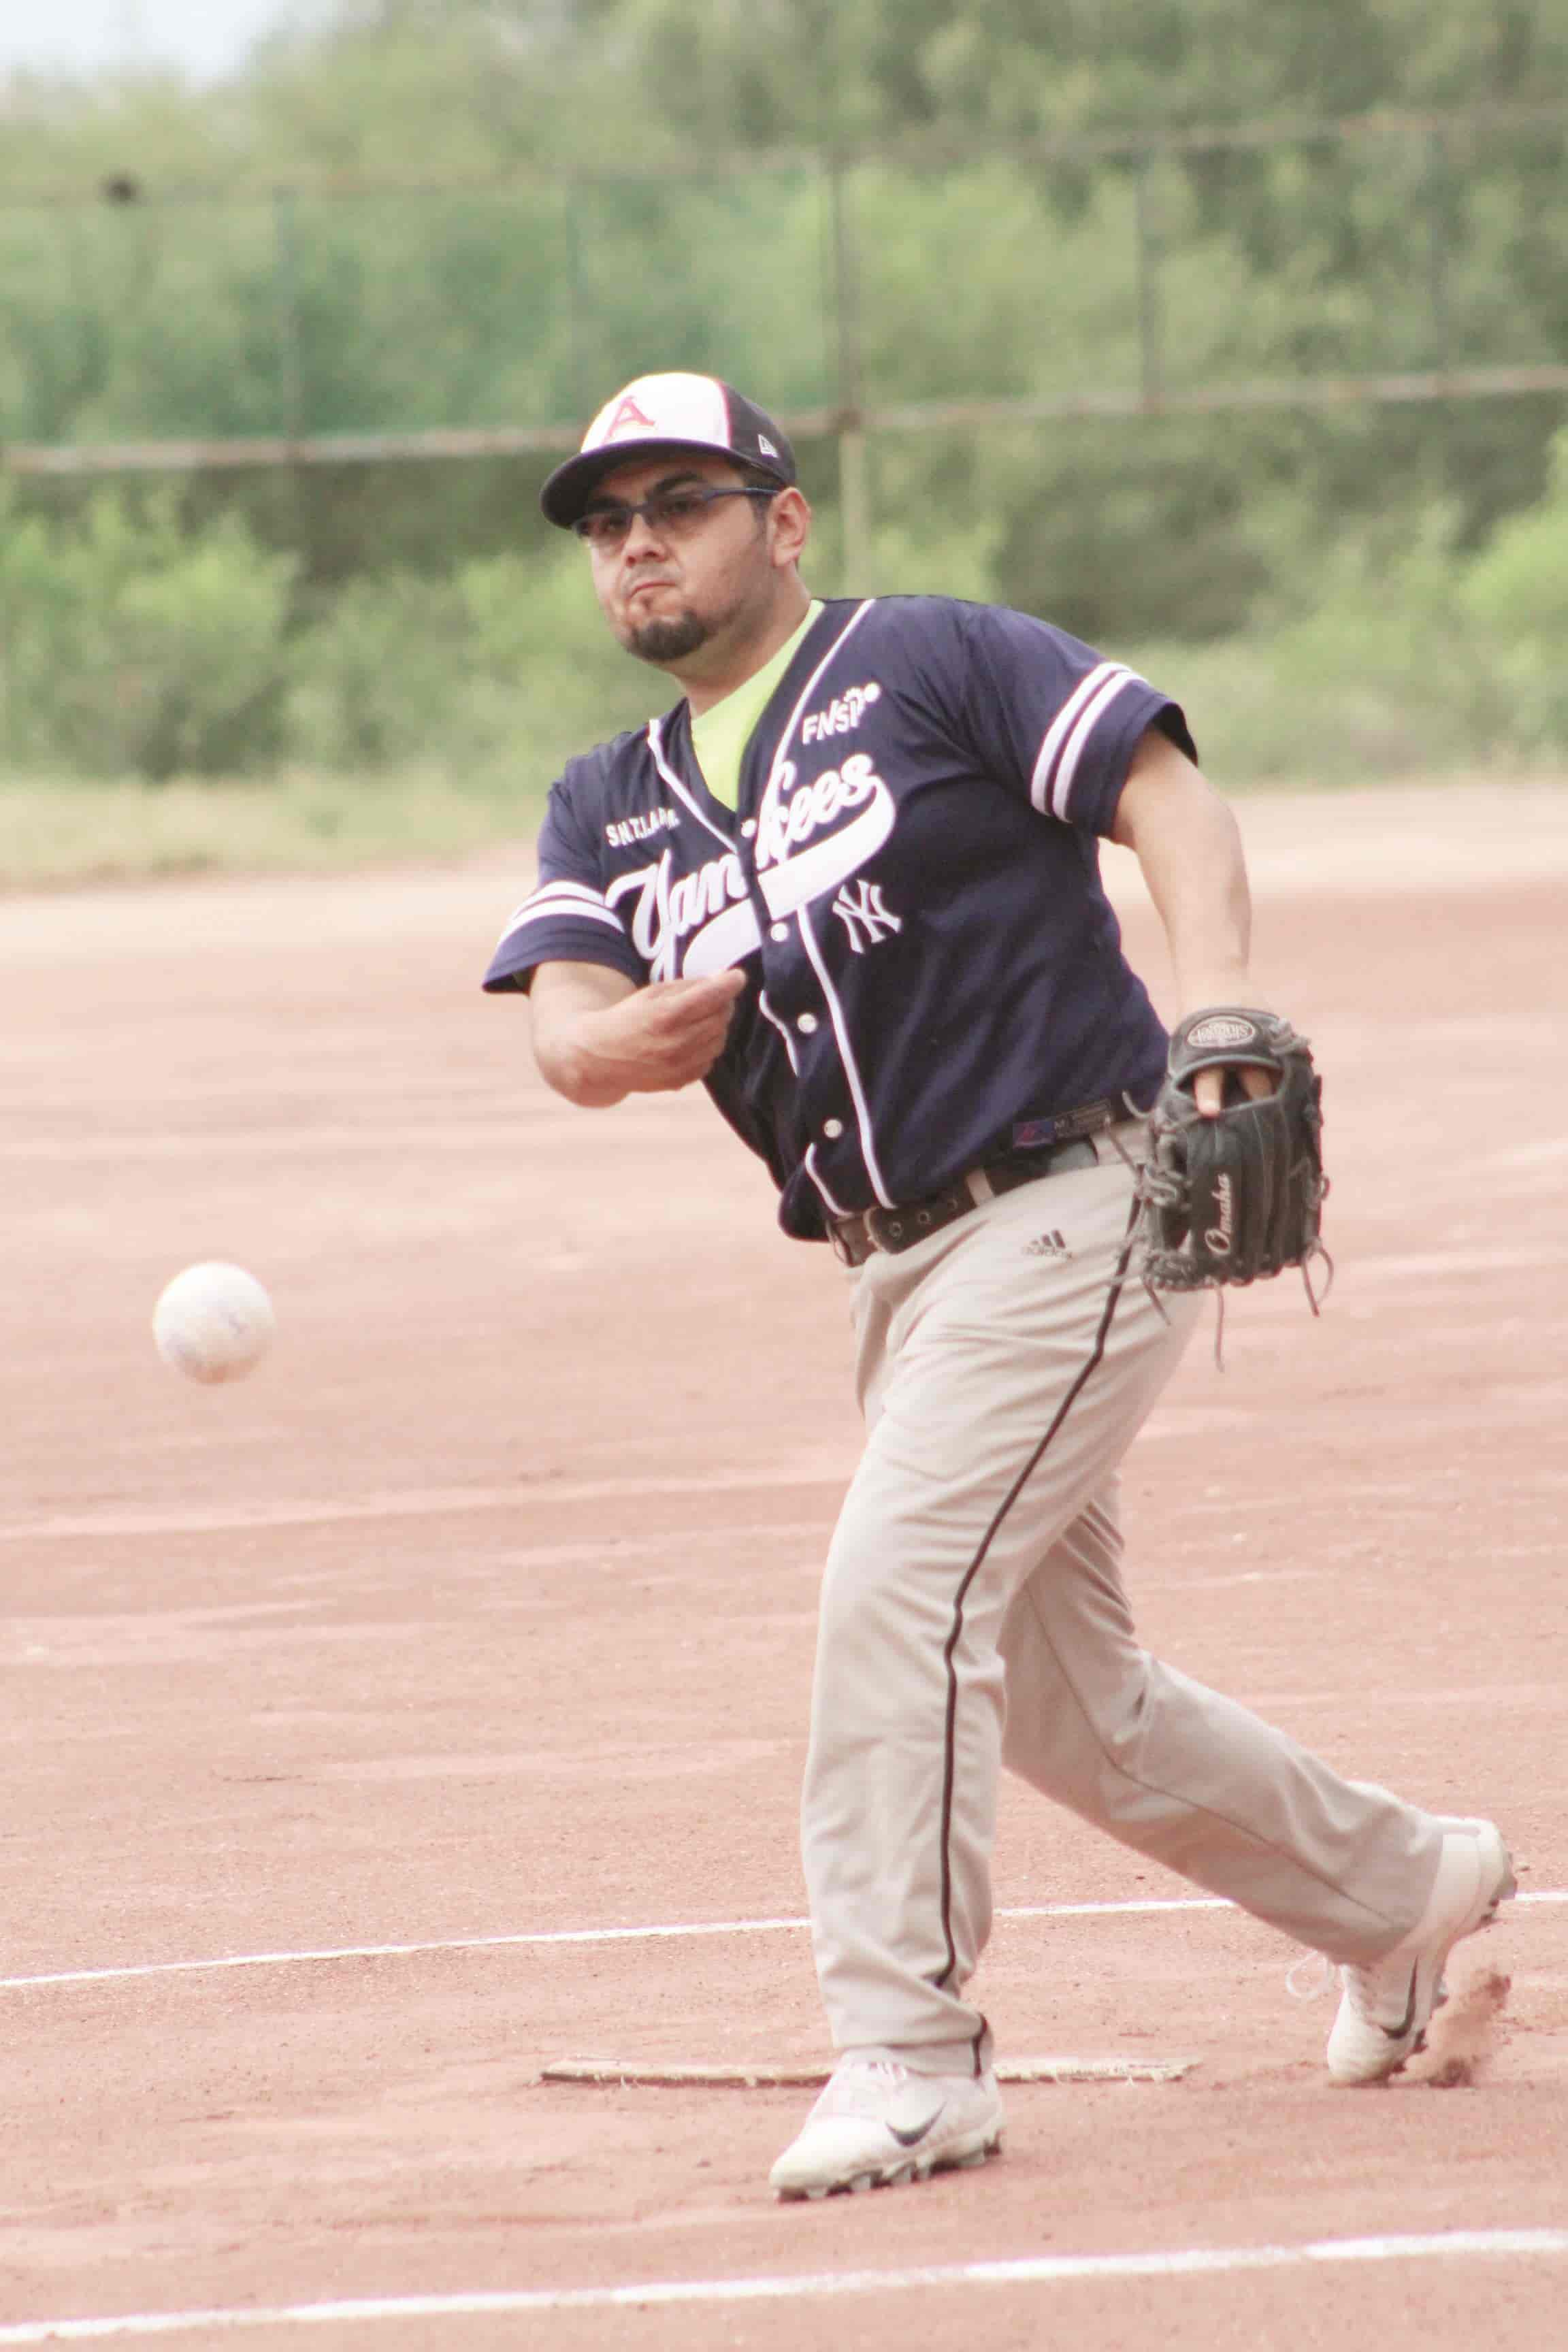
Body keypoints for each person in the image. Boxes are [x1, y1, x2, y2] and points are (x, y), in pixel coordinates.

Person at [482, 372, 1513, 2201]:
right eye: (606, 516)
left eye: (682, 500)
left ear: (782, 524)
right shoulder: (609, 806)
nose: (637, 537)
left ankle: (910, 2051)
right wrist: (609, 1042)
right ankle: (1404, 1895)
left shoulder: (931, 663)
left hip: (1084, 1196)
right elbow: (558, 1022)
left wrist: (1215, 1028)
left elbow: (1172, 806)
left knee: (894, 1585)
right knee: (1062, 1700)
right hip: (899, 1275)